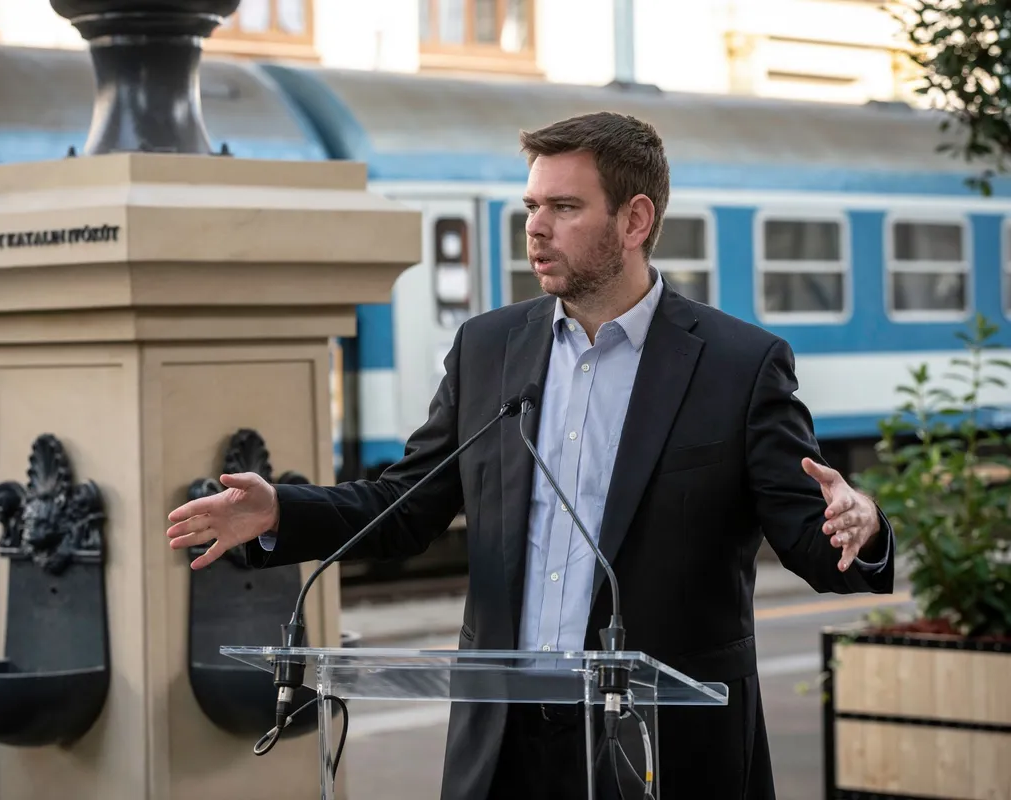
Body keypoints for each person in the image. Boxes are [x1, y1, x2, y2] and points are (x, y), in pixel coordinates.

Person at [165, 111, 895, 800]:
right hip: (504, 744)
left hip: (663, 745)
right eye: (531, 206)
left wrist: (857, 524)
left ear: (635, 221)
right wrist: (279, 512)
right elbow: (405, 506)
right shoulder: (489, 348)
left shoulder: (738, 365)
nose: (535, 229)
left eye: (564, 208)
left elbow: (815, 542)